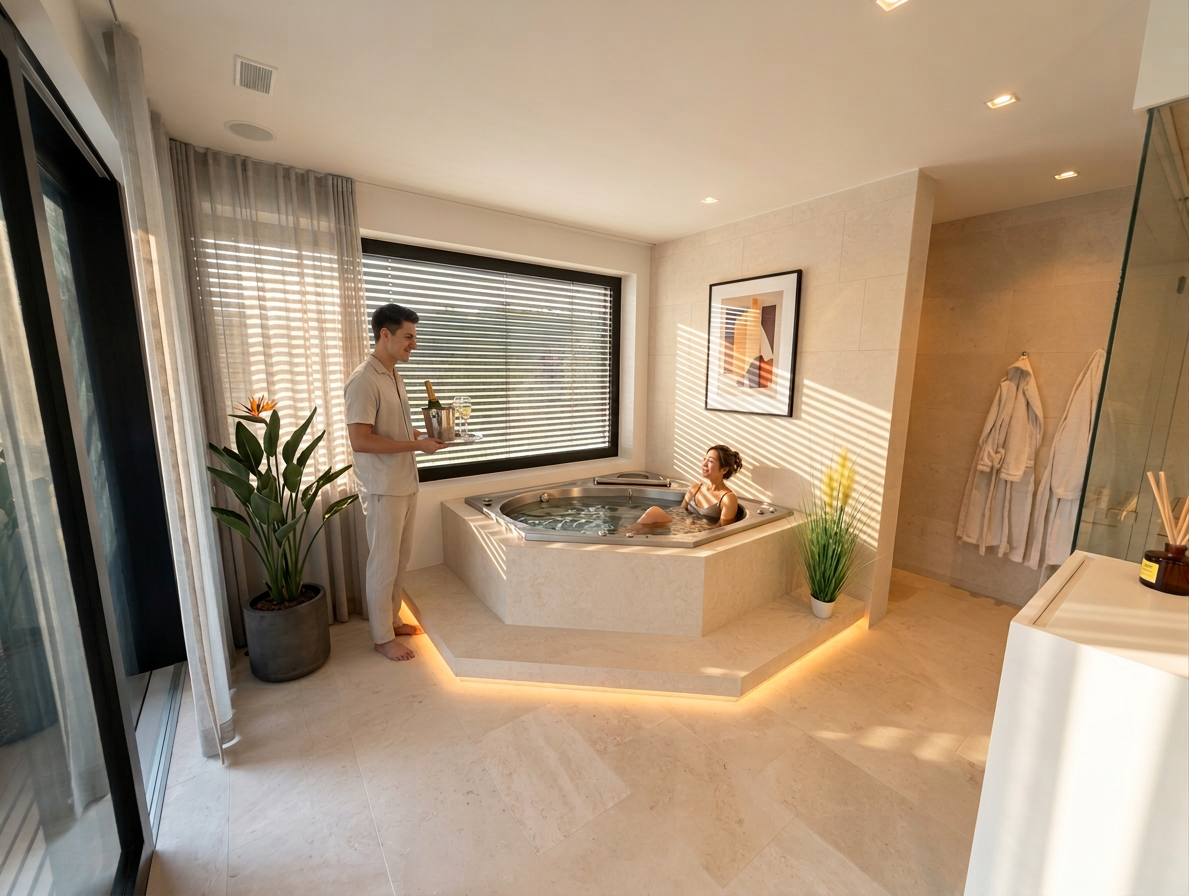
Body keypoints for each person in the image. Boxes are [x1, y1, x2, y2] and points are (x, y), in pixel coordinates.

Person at [344, 303, 447, 661]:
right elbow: (360, 440)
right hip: (383, 487)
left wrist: (422, 436)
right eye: (408, 337)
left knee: (400, 560)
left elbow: (393, 428)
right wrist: (417, 446)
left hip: (404, 482)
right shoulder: (364, 379)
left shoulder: (394, 376)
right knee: (383, 563)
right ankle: (382, 638)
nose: (413, 345)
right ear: (385, 334)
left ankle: (392, 620)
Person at [633, 445, 743, 530]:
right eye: (704, 459)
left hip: (700, 535)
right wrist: (685, 524)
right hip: (683, 528)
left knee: (652, 515)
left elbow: (723, 530)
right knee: (653, 513)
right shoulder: (696, 488)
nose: (704, 463)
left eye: (710, 461)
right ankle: (626, 535)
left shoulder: (728, 498)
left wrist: (699, 526)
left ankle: (627, 535)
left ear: (724, 469)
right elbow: (680, 512)